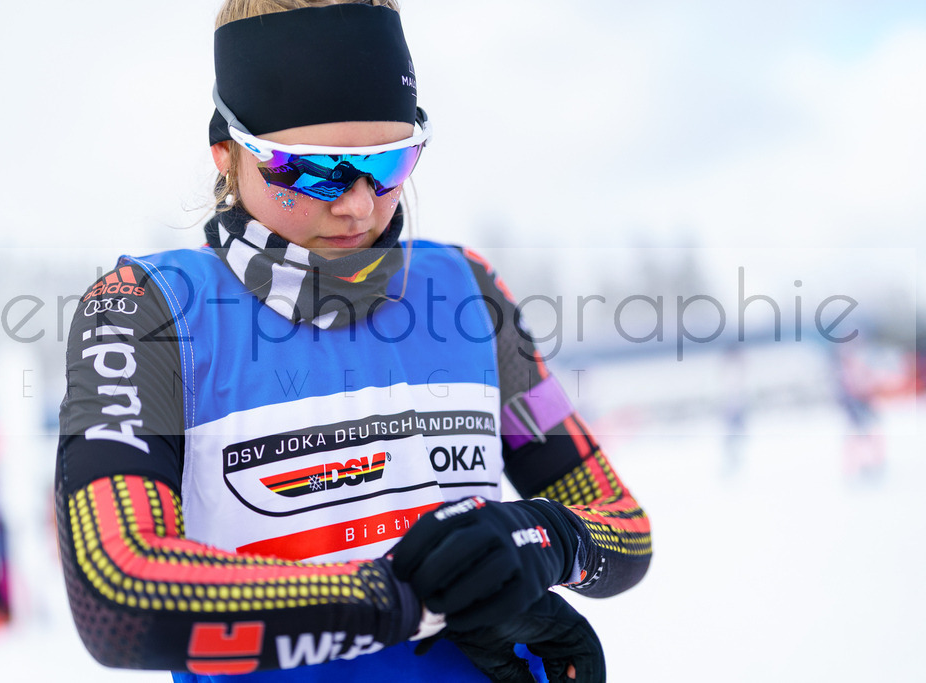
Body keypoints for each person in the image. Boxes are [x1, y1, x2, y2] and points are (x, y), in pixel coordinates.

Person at [56, 1, 651, 681]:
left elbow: (621, 521)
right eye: (313, 170)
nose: (359, 205)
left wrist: (545, 538)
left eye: (391, 162)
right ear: (226, 152)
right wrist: (407, 597)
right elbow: (117, 591)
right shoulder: (143, 310)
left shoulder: (469, 292)